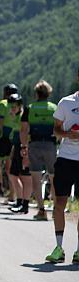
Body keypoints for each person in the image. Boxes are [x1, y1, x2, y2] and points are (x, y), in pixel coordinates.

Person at [45, 67, 79, 264]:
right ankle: (59, 248)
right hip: (65, 159)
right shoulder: (66, 103)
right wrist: (70, 135)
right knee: (59, 204)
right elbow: (56, 130)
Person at [19, 80, 57, 220]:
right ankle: (55, 208)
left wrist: (23, 146)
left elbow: (23, 129)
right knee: (54, 178)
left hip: (34, 144)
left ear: (36, 93)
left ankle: (41, 210)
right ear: (48, 93)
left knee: (36, 178)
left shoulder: (30, 108)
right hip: (51, 145)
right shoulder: (54, 107)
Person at [0, 83, 18, 203]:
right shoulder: (19, 105)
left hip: (4, 138)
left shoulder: (3, 103)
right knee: (9, 169)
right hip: (14, 138)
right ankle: (12, 195)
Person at [7, 93, 32, 214]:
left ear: (20, 105)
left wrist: (24, 148)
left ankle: (22, 202)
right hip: (16, 146)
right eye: (11, 106)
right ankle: (20, 201)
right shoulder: (16, 115)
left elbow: (23, 131)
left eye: (15, 105)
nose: (12, 108)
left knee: (22, 176)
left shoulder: (22, 115)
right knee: (13, 175)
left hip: (21, 147)